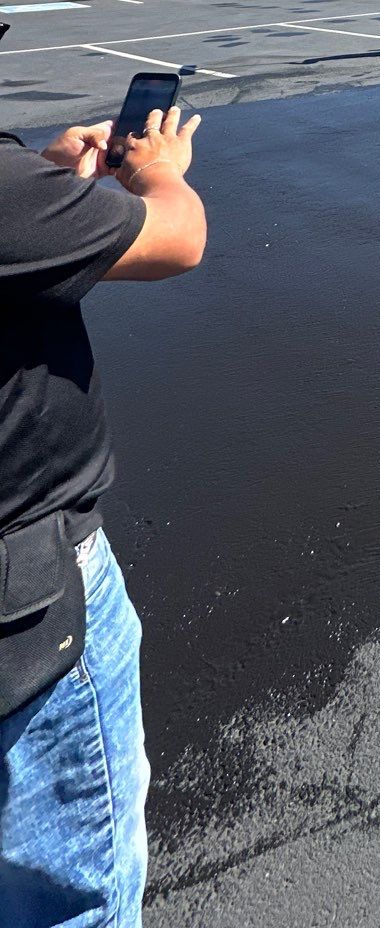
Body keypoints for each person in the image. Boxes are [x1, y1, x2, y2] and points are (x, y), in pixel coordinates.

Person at [1, 103, 207, 928]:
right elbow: (176, 237)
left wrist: (47, 177)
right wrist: (159, 167)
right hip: (34, 609)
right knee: (72, 897)